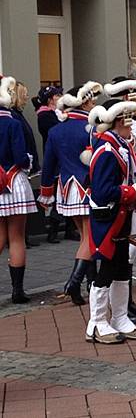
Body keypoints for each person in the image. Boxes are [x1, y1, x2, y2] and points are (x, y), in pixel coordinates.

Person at [86, 99, 136, 343]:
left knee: (122, 267)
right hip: (108, 217)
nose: (132, 124)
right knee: (108, 268)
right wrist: (133, 191)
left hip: (121, 215)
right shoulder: (106, 150)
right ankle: (97, 322)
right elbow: (102, 191)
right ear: (117, 122)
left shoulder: (119, 146)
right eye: (128, 119)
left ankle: (120, 317)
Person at [38, 81, 103, 306]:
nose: (94, 103)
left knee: (86, 237)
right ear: (83, 101)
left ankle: (89, 284)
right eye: (92, 100)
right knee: (90, 238)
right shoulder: (93, 129)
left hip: (67, 188)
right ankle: (74, 283)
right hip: (88, 187)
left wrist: (46, 192)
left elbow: (49, 165)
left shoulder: (56, 130)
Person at [104, 77, 136, 322]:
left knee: (132, 251)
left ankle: (127, 304)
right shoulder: (112, 128)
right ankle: (117, 310)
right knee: (124, 253)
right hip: (124, 197)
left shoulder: (134, 124)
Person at [0, 76, 37, 303]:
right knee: (16, 238)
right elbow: (22, 159)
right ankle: (17, 291)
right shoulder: (13, 123)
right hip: (13, 182)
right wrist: (30, 161)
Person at [33, 85, 64, 244]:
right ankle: (53, 230)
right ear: (51, 99)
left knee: (65, 193)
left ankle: (69, 229)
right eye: (57, 95)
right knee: (58, 193)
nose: (61, 97)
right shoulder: (45, 116)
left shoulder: (56, 113)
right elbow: (57, 132)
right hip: (55, 158)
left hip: (63, 158)